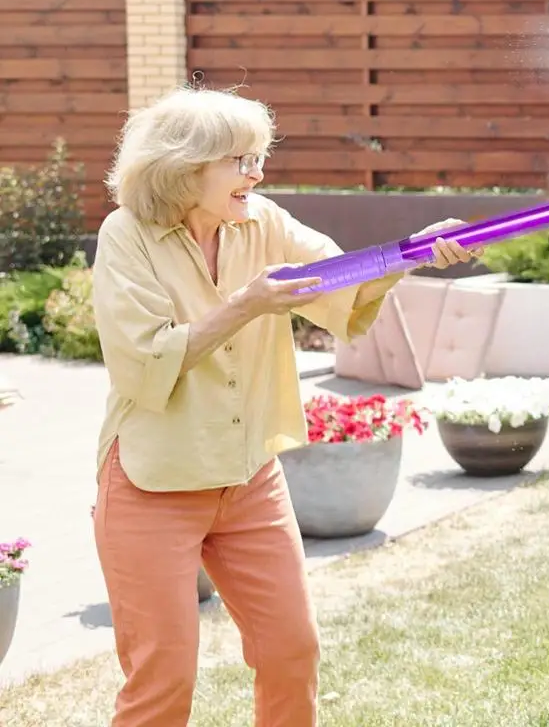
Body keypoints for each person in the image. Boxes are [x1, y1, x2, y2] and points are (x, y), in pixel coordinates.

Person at [90, 85, 478, 727]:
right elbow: (143, 361)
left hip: (249, 481)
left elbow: (340, 275)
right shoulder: (127, 236)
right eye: (241, 160)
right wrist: (247, 304)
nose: (258, 172)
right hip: (152, 483)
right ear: (187, 164)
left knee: (291, 652)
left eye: (259, 157)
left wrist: (414, 252)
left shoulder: (263, 221)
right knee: (164, 676)